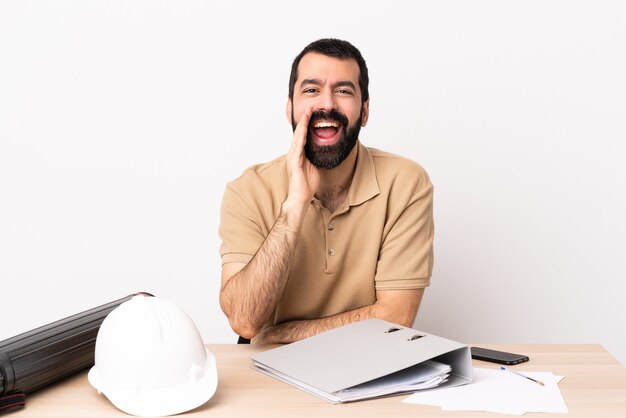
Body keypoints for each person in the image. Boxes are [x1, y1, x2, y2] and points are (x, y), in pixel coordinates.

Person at [218, 38, 434, 344]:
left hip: (366, 358)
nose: (327, 104)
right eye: (311, 90)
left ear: (366, 110)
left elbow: (397, 316)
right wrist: (294, 206)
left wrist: (283, 333)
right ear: (289, 108)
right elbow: (245, 321)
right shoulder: (248, 189)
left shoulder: (406, 183)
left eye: (344, 91)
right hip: (268, 370)